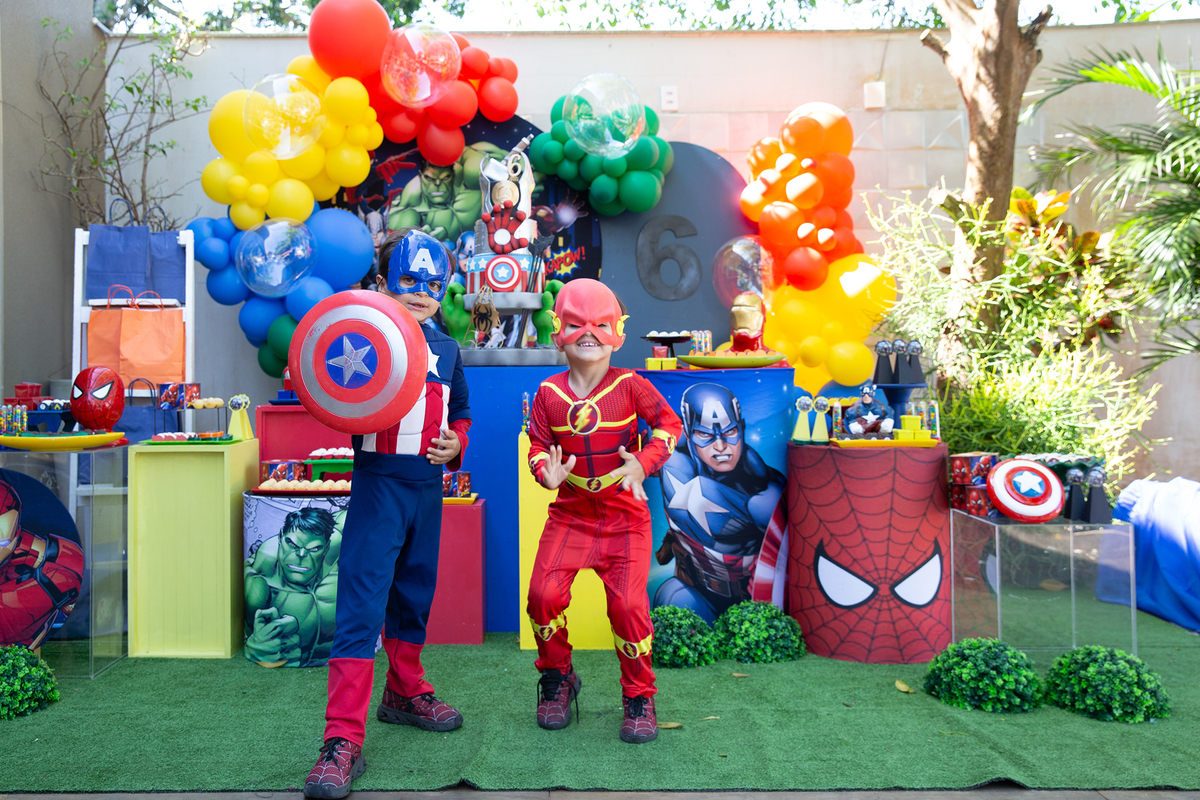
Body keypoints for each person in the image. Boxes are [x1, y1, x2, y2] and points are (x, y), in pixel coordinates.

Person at [304, 229, 471, 800]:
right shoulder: (362, 335)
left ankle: (404, 690)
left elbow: (461, 411)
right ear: (382, 283)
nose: (421, 292)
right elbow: (330, 388)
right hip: (378, 486)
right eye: (408, 280)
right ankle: (341, 738)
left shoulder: (448, 348)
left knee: (414, 595)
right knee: (362, 604)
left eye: (433, 283)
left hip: (427, 488)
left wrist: (457, 443)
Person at [525, 278, 682, 744]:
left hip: (624, 516)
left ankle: (639, 695)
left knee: (629, 607)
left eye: (600, 325)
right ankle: (558, 676)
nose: (589, 334)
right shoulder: (548, 393)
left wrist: (645, 462)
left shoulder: (631, 386)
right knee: (542, 597)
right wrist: (545, 472)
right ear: (558, 331)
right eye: (577, 324)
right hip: (571, 514)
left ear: (617, 332)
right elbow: (538, 446)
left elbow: (669, 424)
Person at [653, 383, 787, 623]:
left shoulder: (766, 484)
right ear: (689, 433)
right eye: (705, 435)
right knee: (673, 598)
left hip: (753, 601)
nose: (720, 446)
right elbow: (696, 505)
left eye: (729, 432)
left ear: (741, 429)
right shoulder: (676, 463)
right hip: (698, 592)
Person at [244, 506, 343, 668]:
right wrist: (259, 646)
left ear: (326, 547)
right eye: (292, 544)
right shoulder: (261, 580)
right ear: (281, 538)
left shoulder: (338, 544)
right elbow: (253, 640)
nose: (301, 555)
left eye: (314, 549)